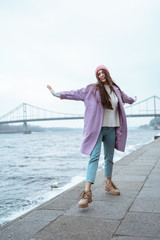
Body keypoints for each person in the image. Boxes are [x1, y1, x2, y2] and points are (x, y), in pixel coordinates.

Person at [47, 65, 136, 208]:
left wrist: (133, 100)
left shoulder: (116, 90)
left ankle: (108, 184)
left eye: (103, 72)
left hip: (112, 128)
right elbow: (75, 93)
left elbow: (126, 98)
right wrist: (56, 93)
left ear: (107, 73)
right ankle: (87, 192)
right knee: (94, 157)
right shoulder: (92, 89)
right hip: (97, 130)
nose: (101, 75)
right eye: (98, 73)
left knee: (109, 158)